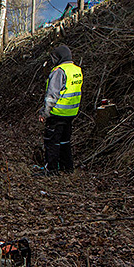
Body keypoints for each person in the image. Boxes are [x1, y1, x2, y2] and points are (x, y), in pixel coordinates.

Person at [37, 45, 82, 174]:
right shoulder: (76, 70)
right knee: (65, 141)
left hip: (57, 113)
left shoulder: (59, 71)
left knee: (52, 142)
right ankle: (67, 168)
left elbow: (52, 95)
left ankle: (51, 169)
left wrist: (45, 113)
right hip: (71, 113)